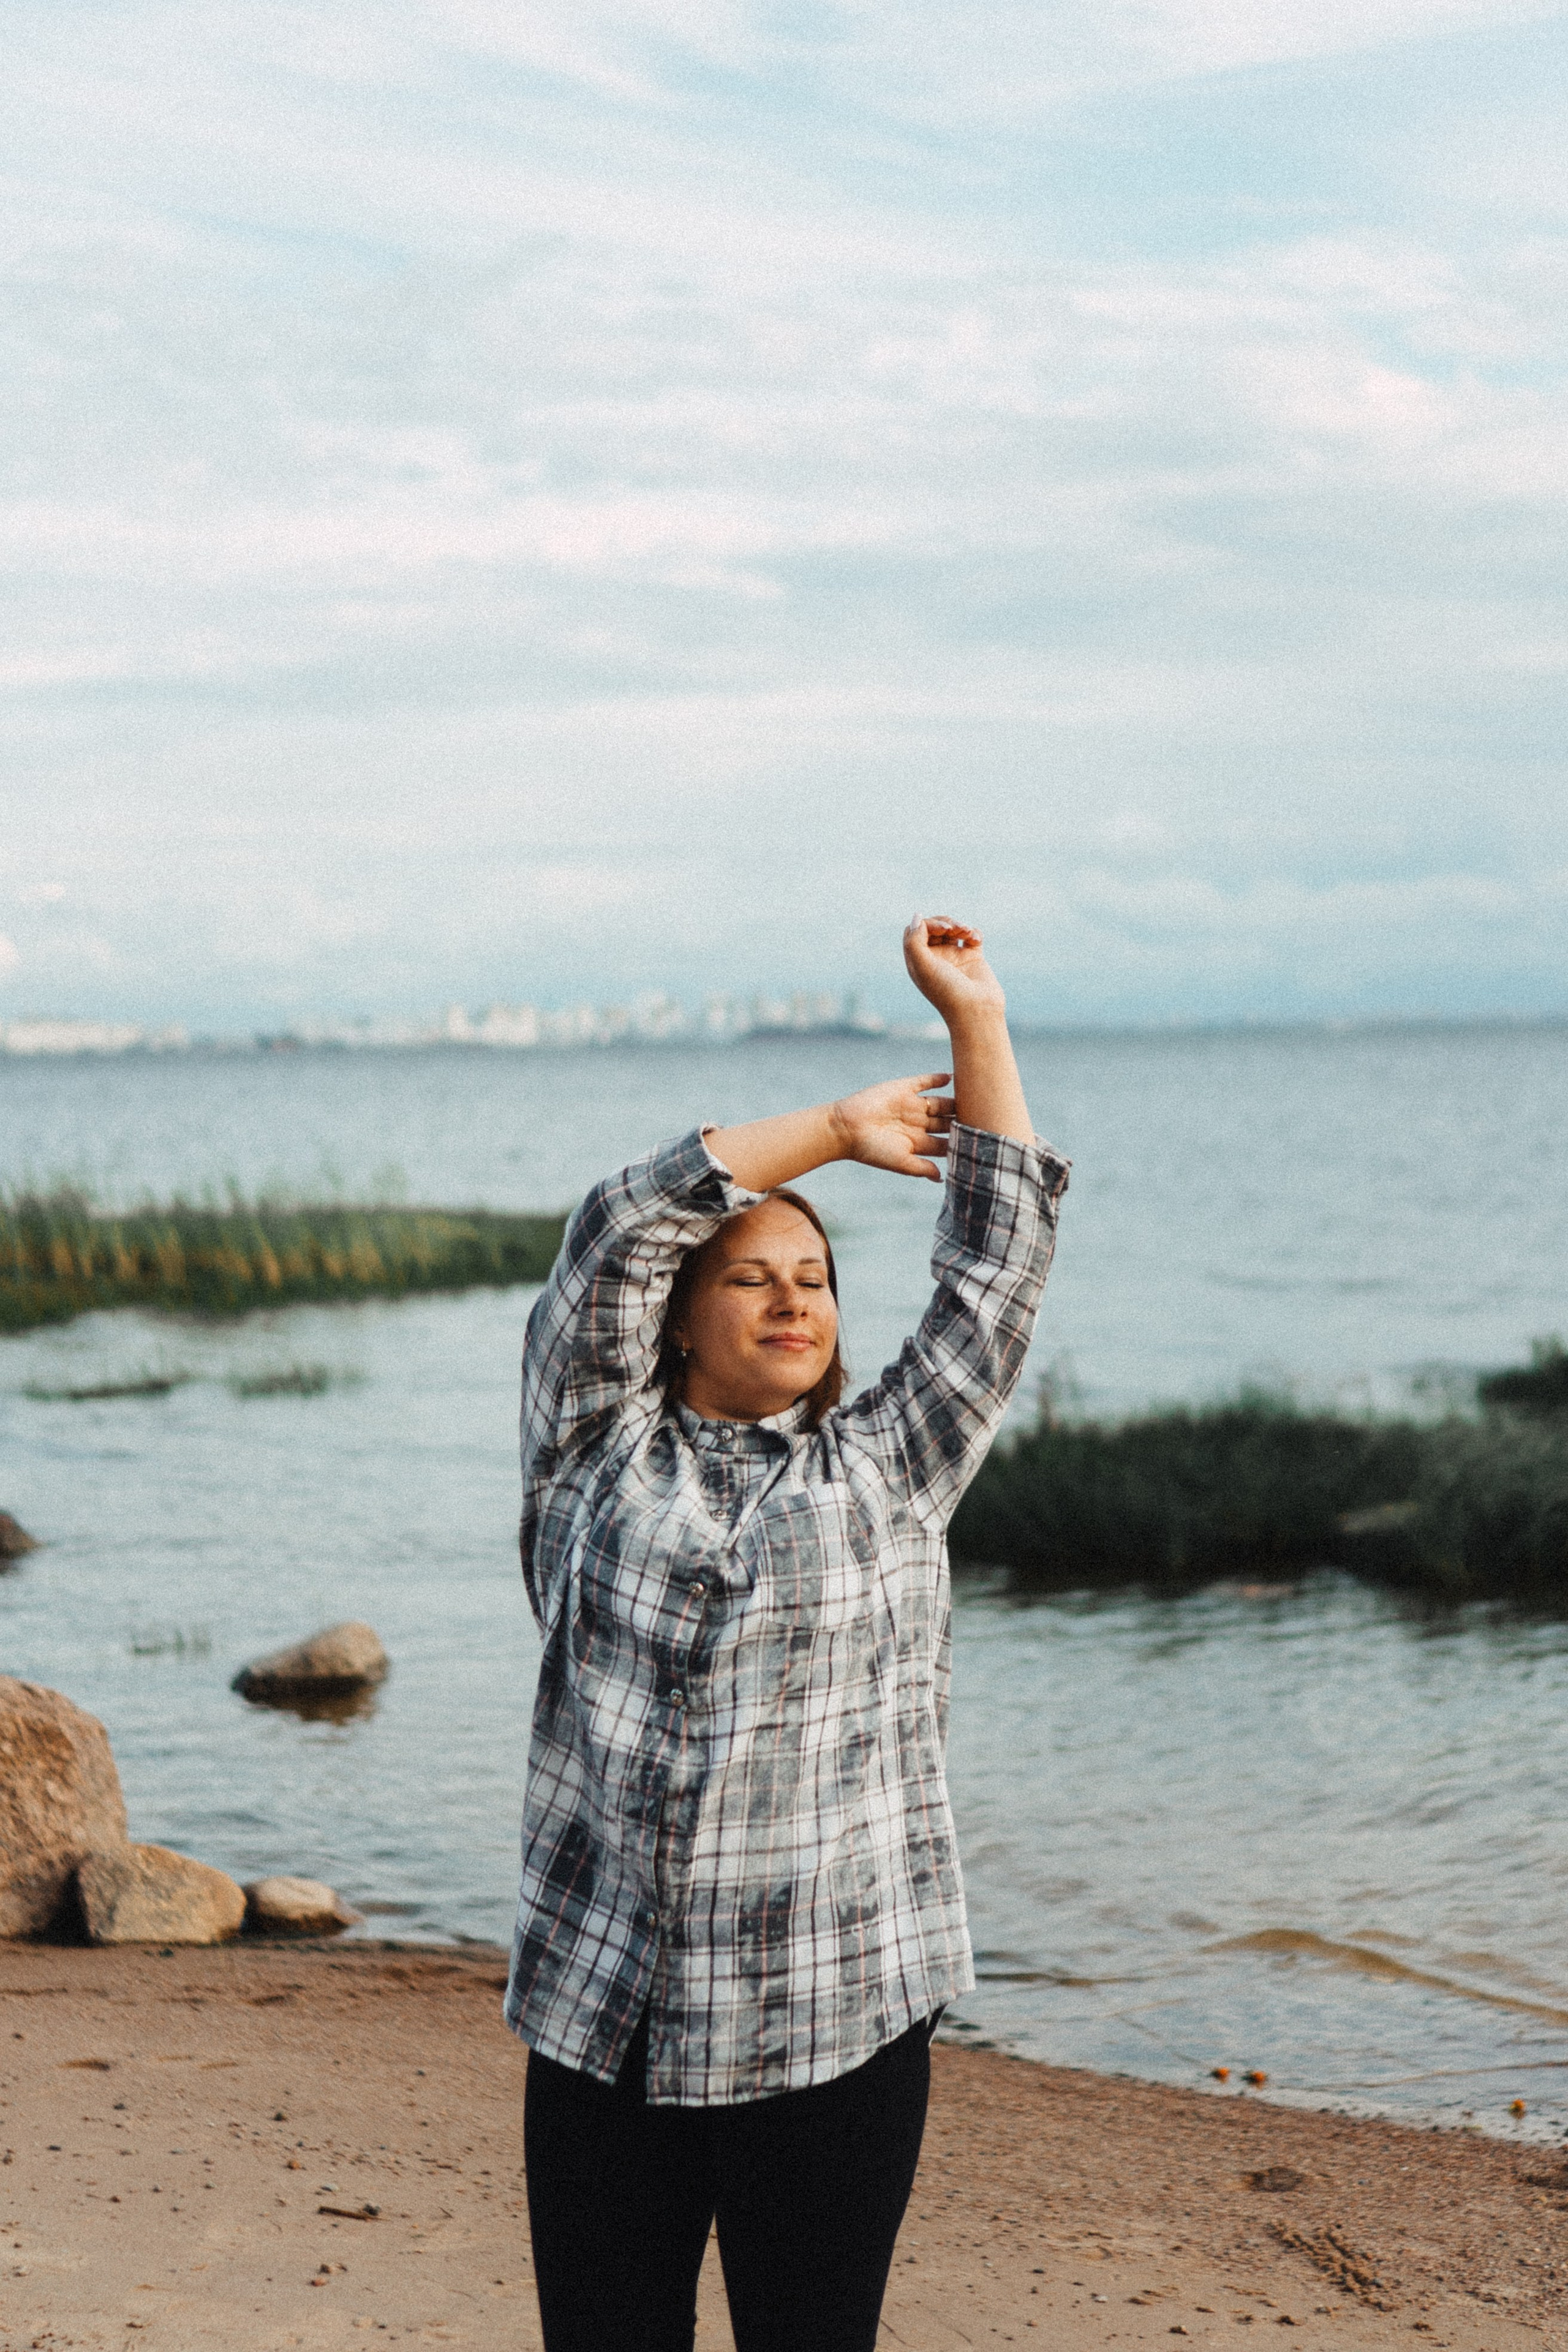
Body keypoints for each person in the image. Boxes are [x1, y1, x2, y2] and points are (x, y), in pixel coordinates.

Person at [506, 916, 1071, 2352]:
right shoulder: (590, 1451)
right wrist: (825, 1131)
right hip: (604, 2031)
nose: (792, 1298)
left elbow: (994, 1276)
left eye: (813, 1279)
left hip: (831, 2035)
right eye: (750, 1275)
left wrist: (975, 1021)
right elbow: (616, 1226)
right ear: (680, 1317)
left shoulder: (887, 1467)